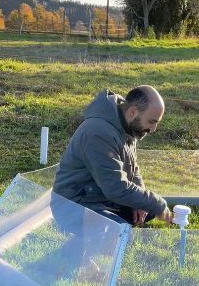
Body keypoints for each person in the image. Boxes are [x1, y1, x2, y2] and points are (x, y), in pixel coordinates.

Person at [53, 85, 173, 226]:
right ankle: (82, 244)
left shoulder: (126, 125)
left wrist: (140, 203)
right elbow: (115, 187)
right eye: (152, 122)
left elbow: (133, 170)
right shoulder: (98, 133)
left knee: (147, 208)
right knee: (112, 229)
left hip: (100, 196)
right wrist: (158, 204)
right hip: (74, 204)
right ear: (133, 112)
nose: (153, 129)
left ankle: (92, 240)